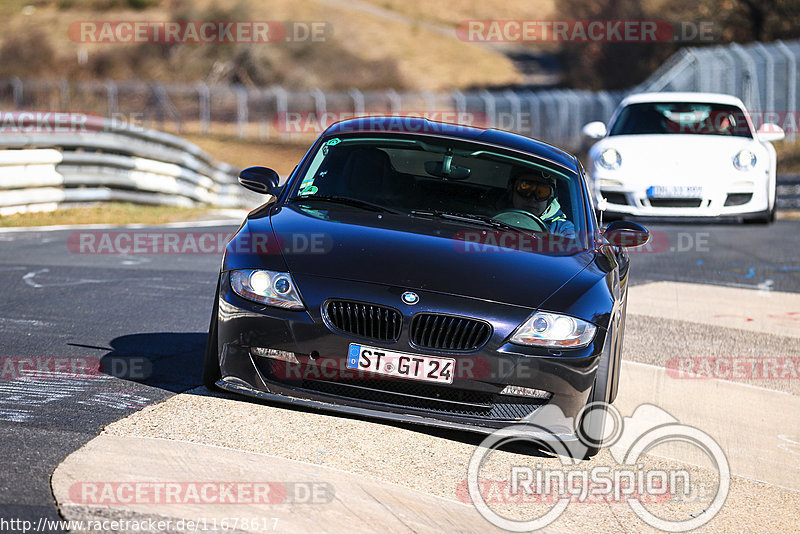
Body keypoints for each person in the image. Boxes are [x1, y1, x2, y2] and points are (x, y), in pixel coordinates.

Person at [505, 167, 576, 238]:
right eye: (525, 188)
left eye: (542, 192)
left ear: (550, 196)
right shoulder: (493, 212)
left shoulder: (563, 230)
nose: (532, 199)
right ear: (512, 188)